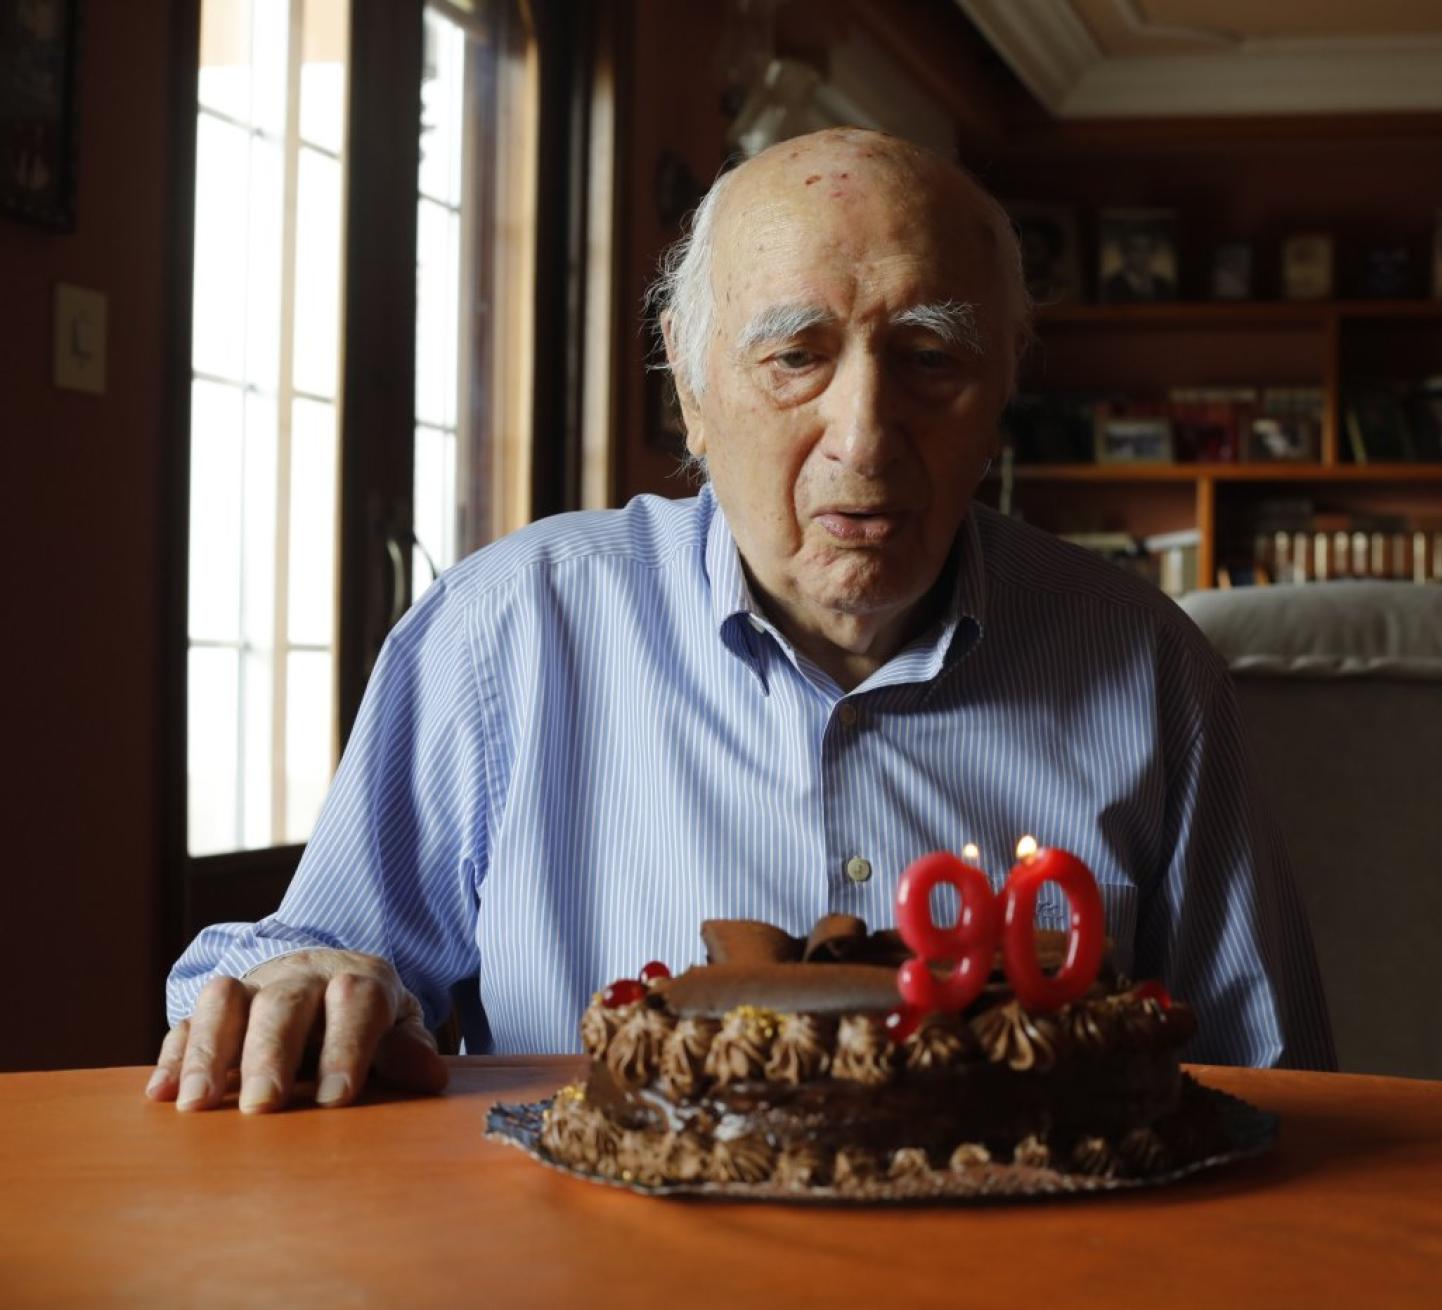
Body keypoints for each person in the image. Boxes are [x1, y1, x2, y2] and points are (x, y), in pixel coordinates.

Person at [149, 128, 1336, 1115]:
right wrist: (300, 979)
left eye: (930, 357)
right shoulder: (507, 633)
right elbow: (299, 964)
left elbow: (1271, 1089)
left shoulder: (1144, 664)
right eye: (796, 357)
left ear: (1006, 386)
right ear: (692, 385)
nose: (865, 435)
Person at [1101, 224, 1176, 302]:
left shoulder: (1163, 286)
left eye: (1147, 249)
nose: (1143, 255)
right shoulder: (1111, 287)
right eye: (1136, 249)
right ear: (1125, 252)